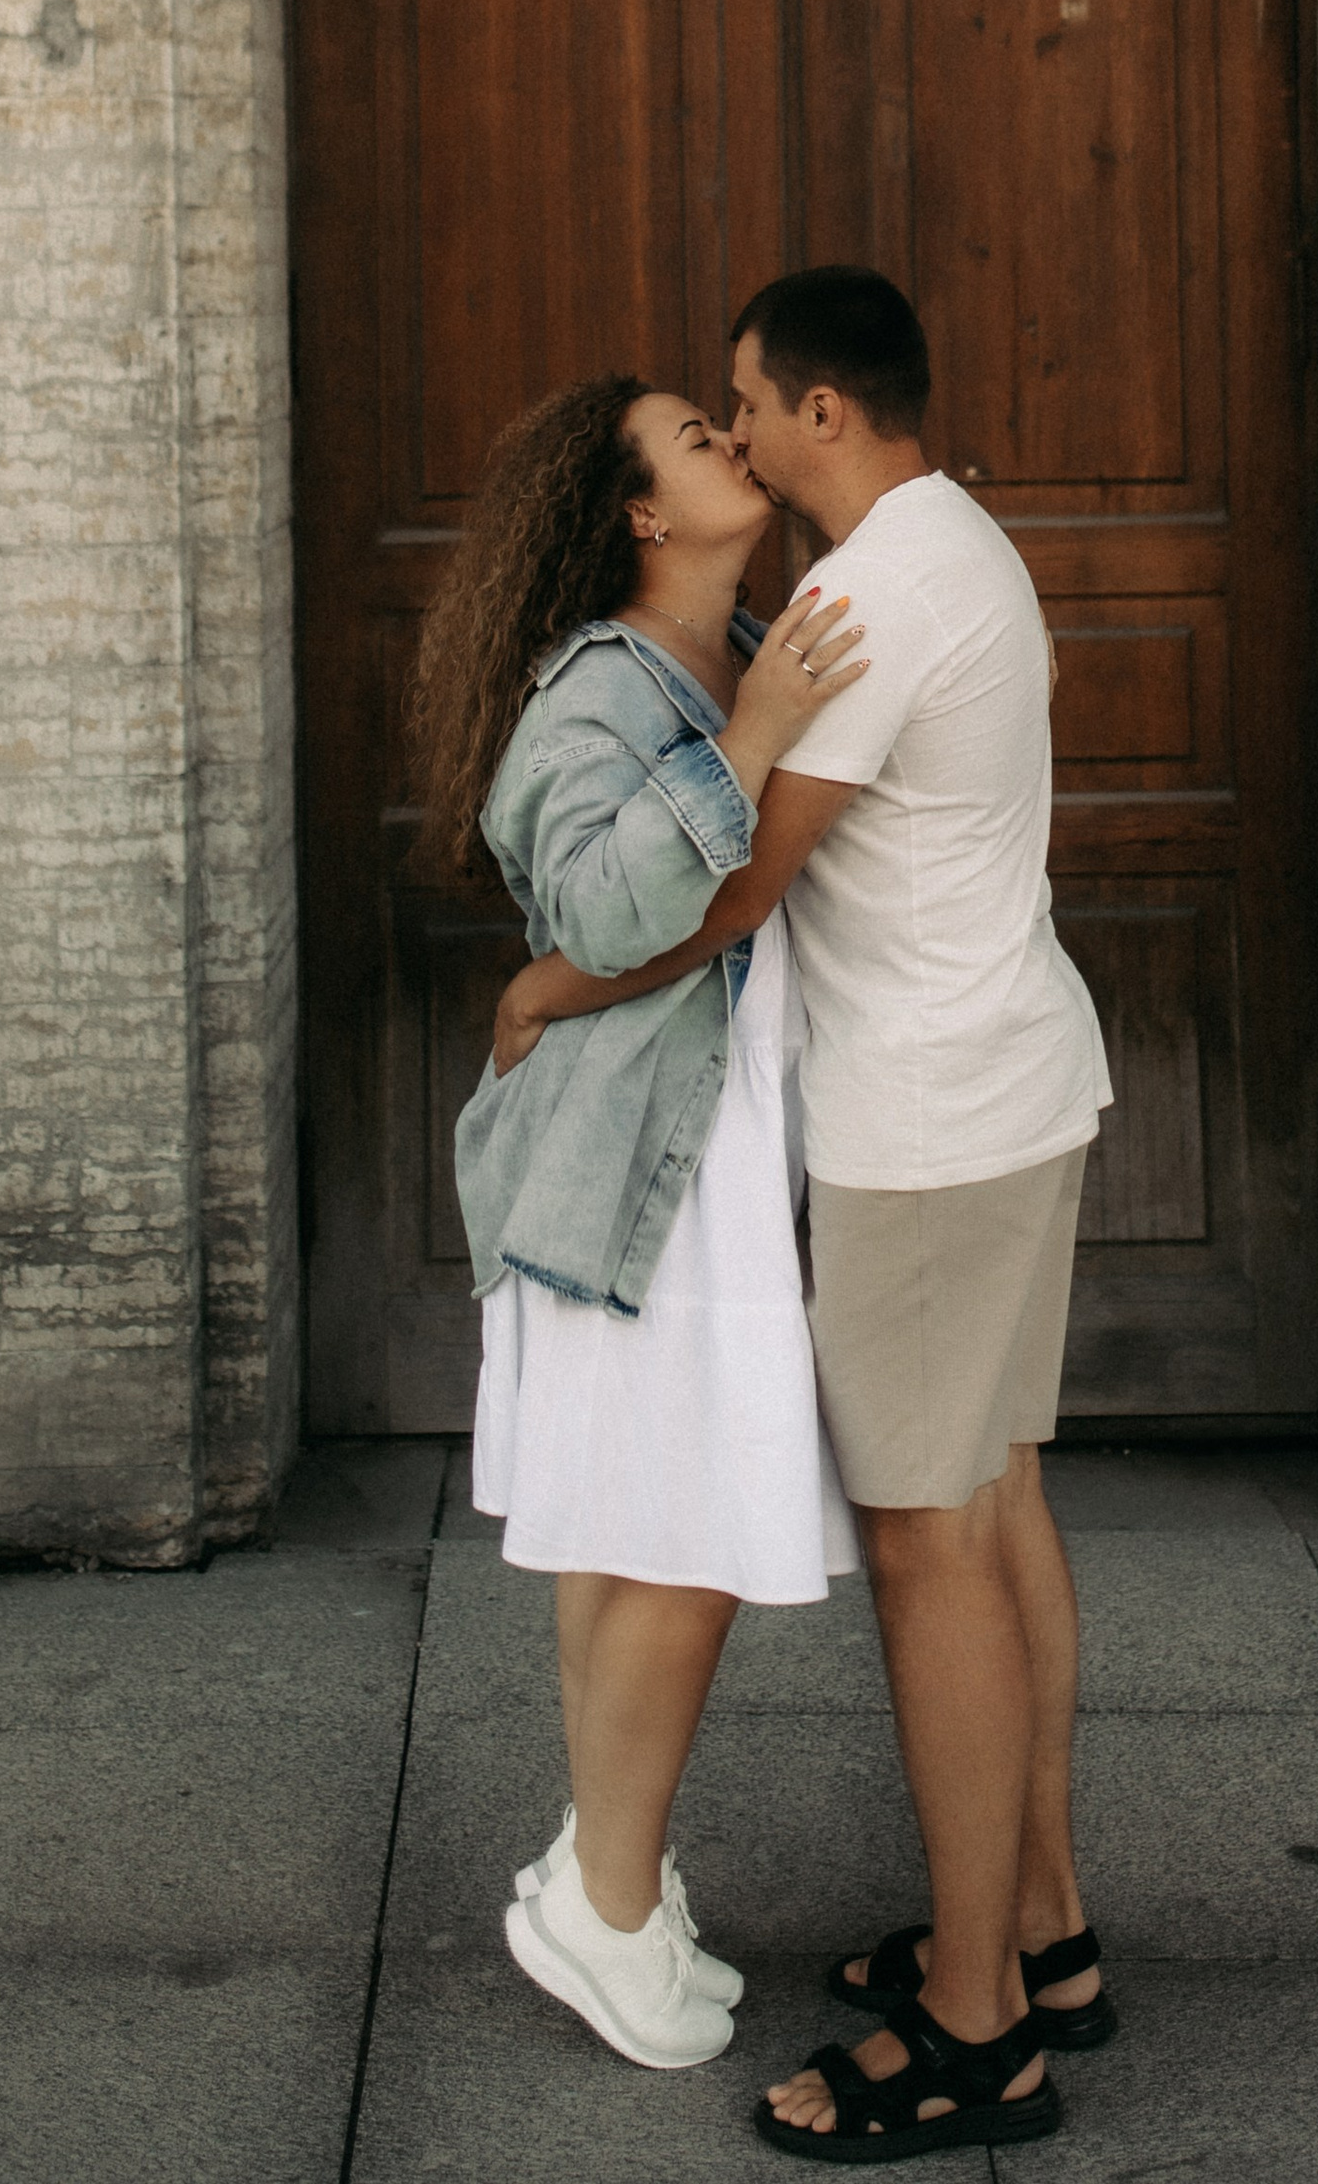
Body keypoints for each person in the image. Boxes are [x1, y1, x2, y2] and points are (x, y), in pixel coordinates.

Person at [495, 267, 1118, 2161]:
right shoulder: (959, 546)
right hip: (1008, 1077)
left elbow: (735, 884)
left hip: (928, 1127)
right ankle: (1041, 1928)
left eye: (747, 401)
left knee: (934, 1547)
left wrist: (549, 995)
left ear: (824, 409)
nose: (739, 428)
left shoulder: (859, 598)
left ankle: (974, 2029)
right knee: (997, 1504)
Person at [422, 370, 870, 2075]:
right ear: (638, 514)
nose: (732, 442)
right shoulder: (594, 689)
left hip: (705, 1146)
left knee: (631, 1531)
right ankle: (603, 1906)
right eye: (697, 437)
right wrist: (750, 737)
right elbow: (610, 904)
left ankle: (606, 1873)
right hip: (636, 1174)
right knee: (679, 1530)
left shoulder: (729, 637)